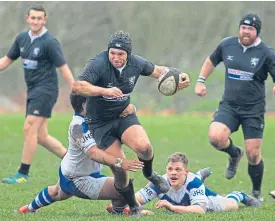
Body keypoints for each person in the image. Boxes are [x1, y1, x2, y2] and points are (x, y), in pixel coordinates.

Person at [72, 30, 190, 215]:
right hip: (100, 124)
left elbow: (159, 71)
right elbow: (78, 86)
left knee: (145, 148)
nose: (116, 57)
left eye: (121, 54)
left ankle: (150, 174)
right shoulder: (99, 64)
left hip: (123, 115)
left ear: (128, 54)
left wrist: (180, 75)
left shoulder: (137, 63)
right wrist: (103, 91)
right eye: (112, 53)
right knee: (120, 169)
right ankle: (133, 207)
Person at [194, 12, 275, 201]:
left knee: (253, 154)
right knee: (215, 137)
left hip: (254, 110)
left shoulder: (266, 53)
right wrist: (201, 81)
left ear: (256, 32)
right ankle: (234, 154)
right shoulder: (227, 44)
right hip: (230, 106)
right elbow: (212, 60)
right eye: (243, 27)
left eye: (250, 29)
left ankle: (256, 193)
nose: (245, 32)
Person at [17, 93, 144, 215]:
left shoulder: (92, 115)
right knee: (123, 189)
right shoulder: (77, 127)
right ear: (85, 105)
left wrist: (130, 108)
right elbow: (93, 153)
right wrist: (120, 162)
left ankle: (28, 209)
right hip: (77, 179)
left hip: (70, 170)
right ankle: (120, 210)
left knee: (57, 193)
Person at [1, 5, 75, 184]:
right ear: (27, 19)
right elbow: (6, 61)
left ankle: (22, 174)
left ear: (45, 20)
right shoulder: (22, 39)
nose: (35, 21)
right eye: (33, 18)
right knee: (41, 136)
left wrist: (75, 91)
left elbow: (63, 68)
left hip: (46, 89)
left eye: (39, 18)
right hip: (33, 90)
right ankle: (73, 163)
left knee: (29, 127)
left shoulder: (50, 42)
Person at [107, 152, 260, 215]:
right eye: (170, 169)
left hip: (205, 199)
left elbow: (200, 210)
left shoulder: (193, 183)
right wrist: (134, 209)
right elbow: (136, 199)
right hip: (187, 196)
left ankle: (240, 194)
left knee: (232, 205)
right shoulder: (159, 182)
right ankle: (201, 175)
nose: (173, 173)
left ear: (186, 172)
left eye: (178, 170)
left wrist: (172, 207)